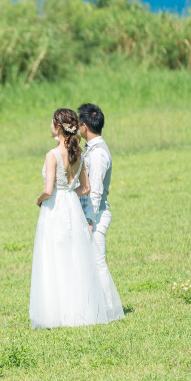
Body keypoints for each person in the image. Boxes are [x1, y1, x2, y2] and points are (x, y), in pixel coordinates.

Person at [29, 108, 124, 329]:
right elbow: (86, 187)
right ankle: (80, 309)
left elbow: (49, 189)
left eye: (52, 122)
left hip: (54, 209)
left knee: (54, 257)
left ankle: (56, 313)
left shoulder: (52, 155)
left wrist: (39, 199)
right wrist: (71, 193)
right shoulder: (78, 154)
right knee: (74, 258)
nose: (50, 125)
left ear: (58, 127)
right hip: (72, 207)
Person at [78, 103, 122, 305]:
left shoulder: (98, 155)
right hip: (92, 213)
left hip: (96, 215)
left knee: (98, 262)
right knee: (92, 263)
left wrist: (89, 219)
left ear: (85, 126)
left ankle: (110, 308)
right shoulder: (93, 150)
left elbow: (94, 192)